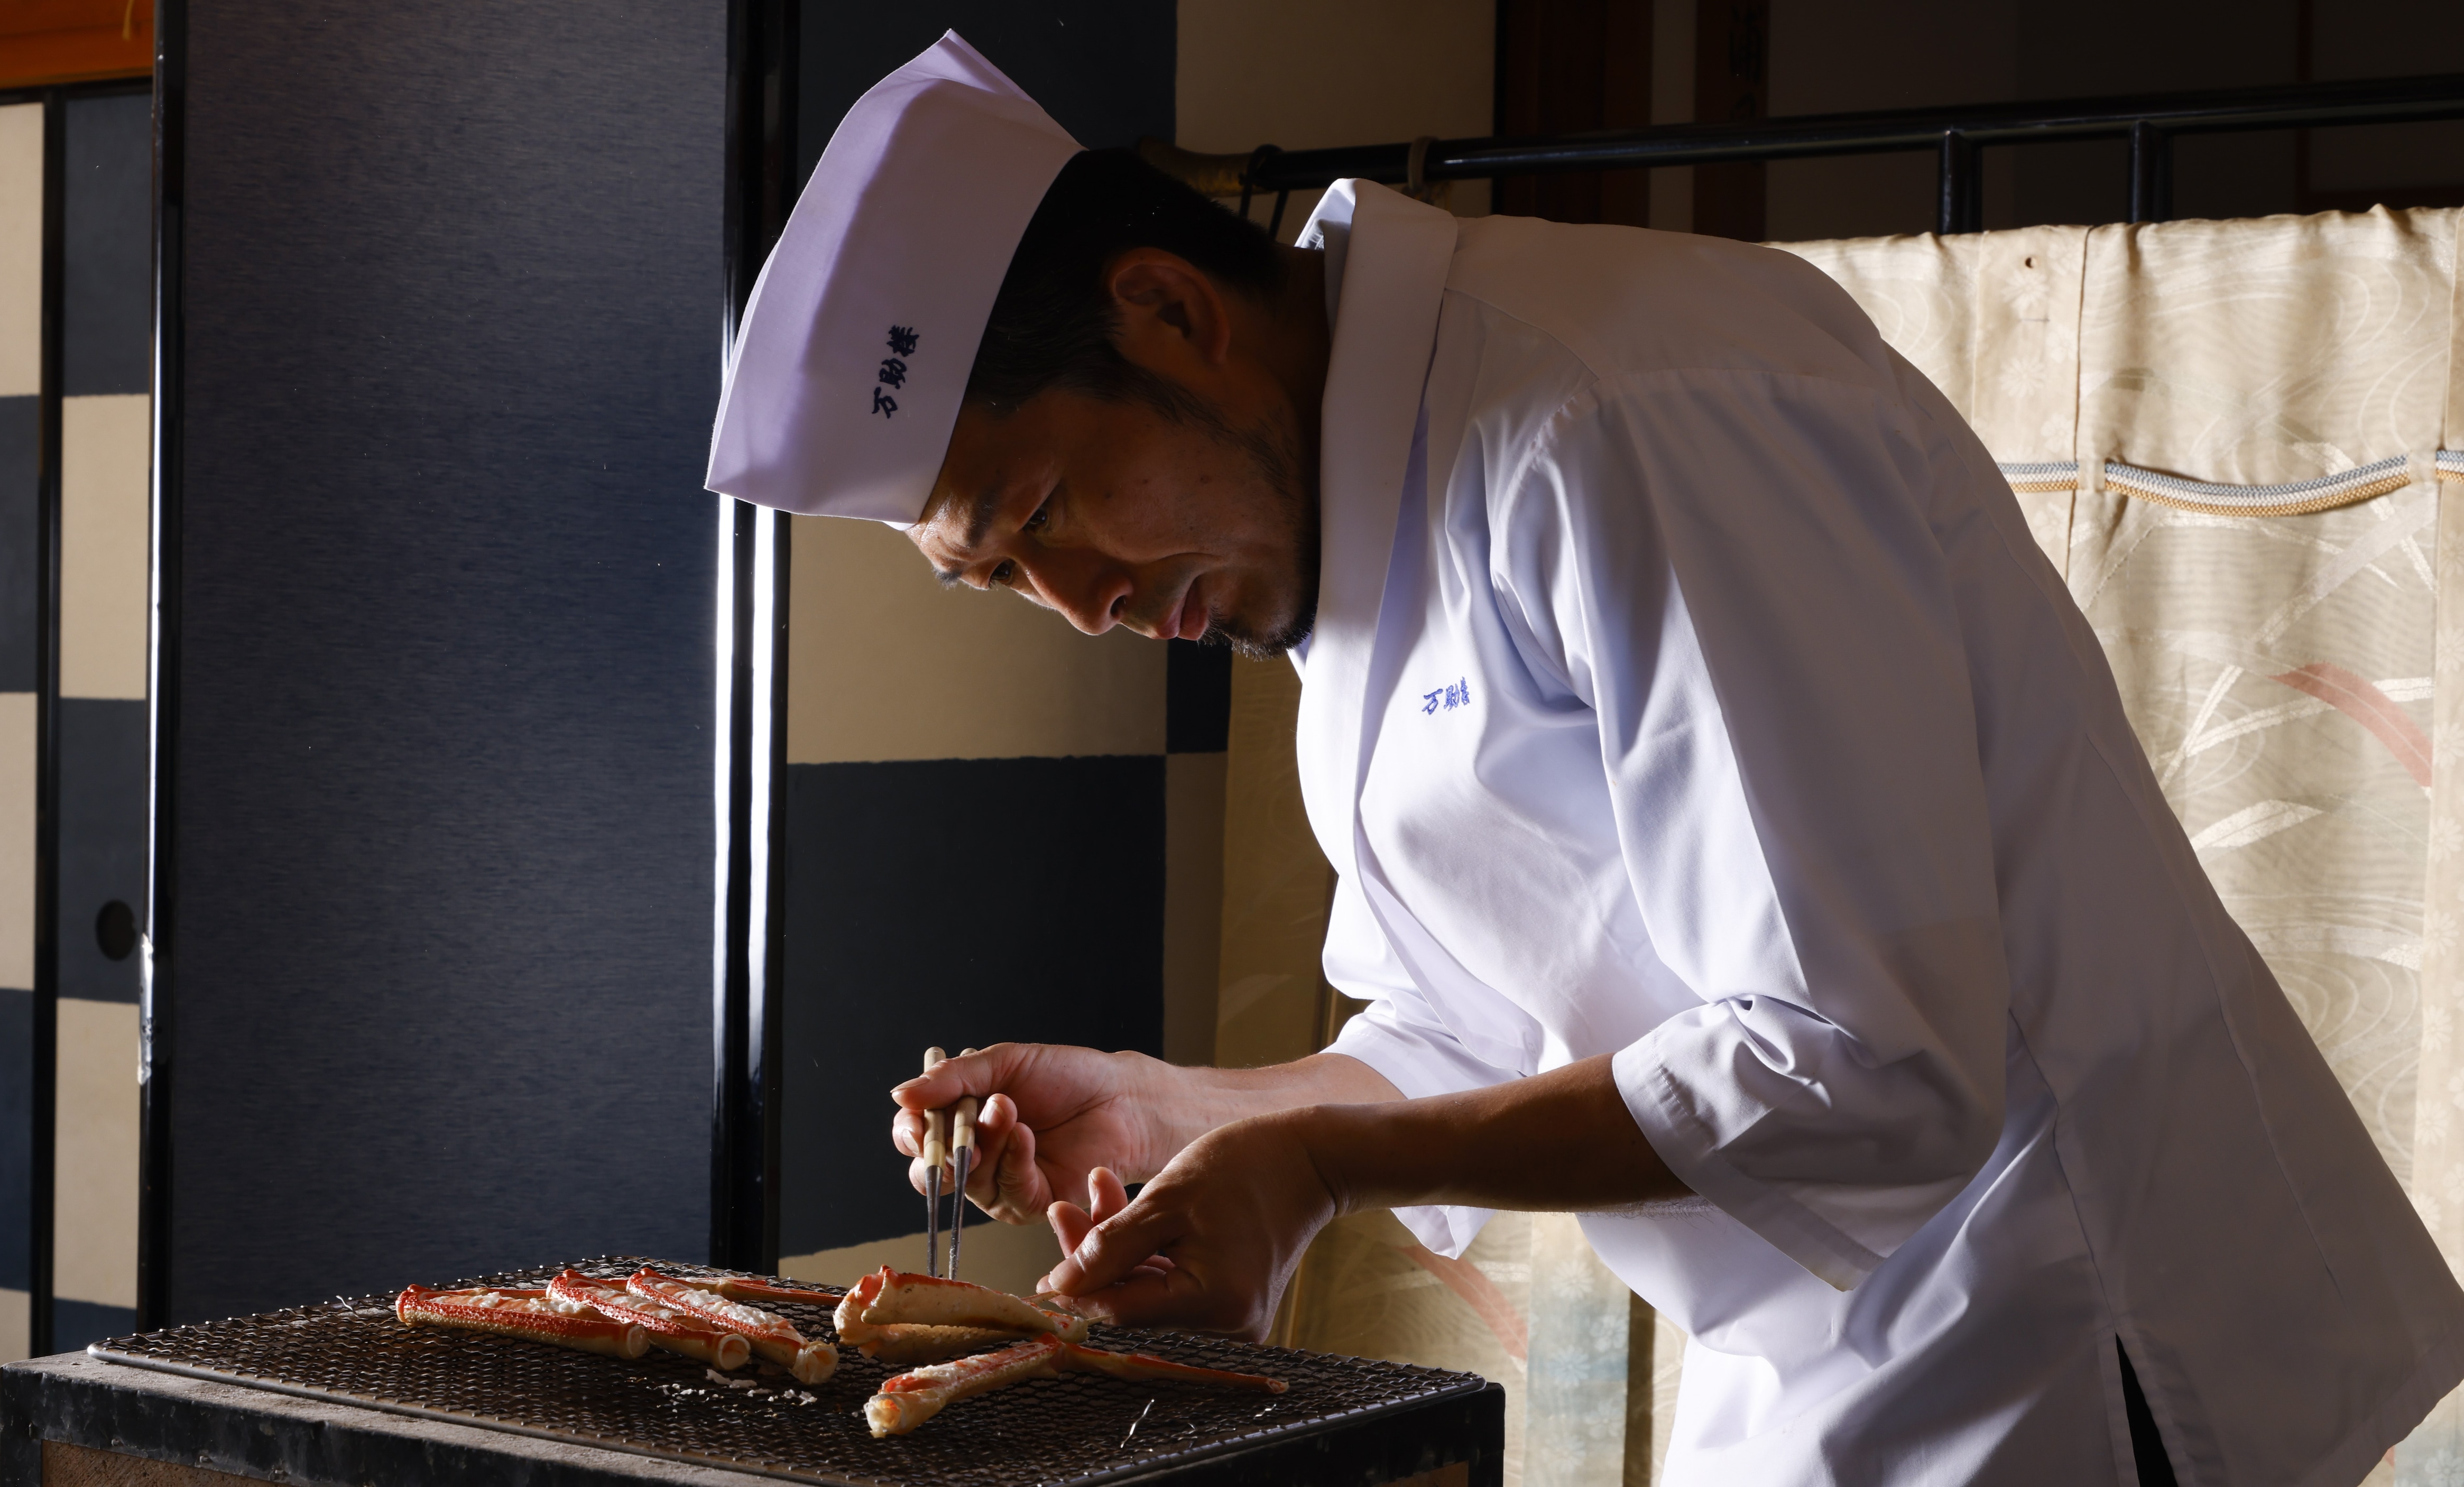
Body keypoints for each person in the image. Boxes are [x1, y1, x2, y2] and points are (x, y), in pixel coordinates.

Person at [706, 33, 2464, 1487]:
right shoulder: (1354, 508)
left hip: (2069, 1338)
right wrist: (1199, 1114)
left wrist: (1322, 1168)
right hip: (1831, 1344)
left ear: (1169, 313)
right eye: (1002, 579)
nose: (1079, 606)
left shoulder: (1623, 410)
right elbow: (1469, 1030)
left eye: (1040, 515)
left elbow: (1870, 1058)